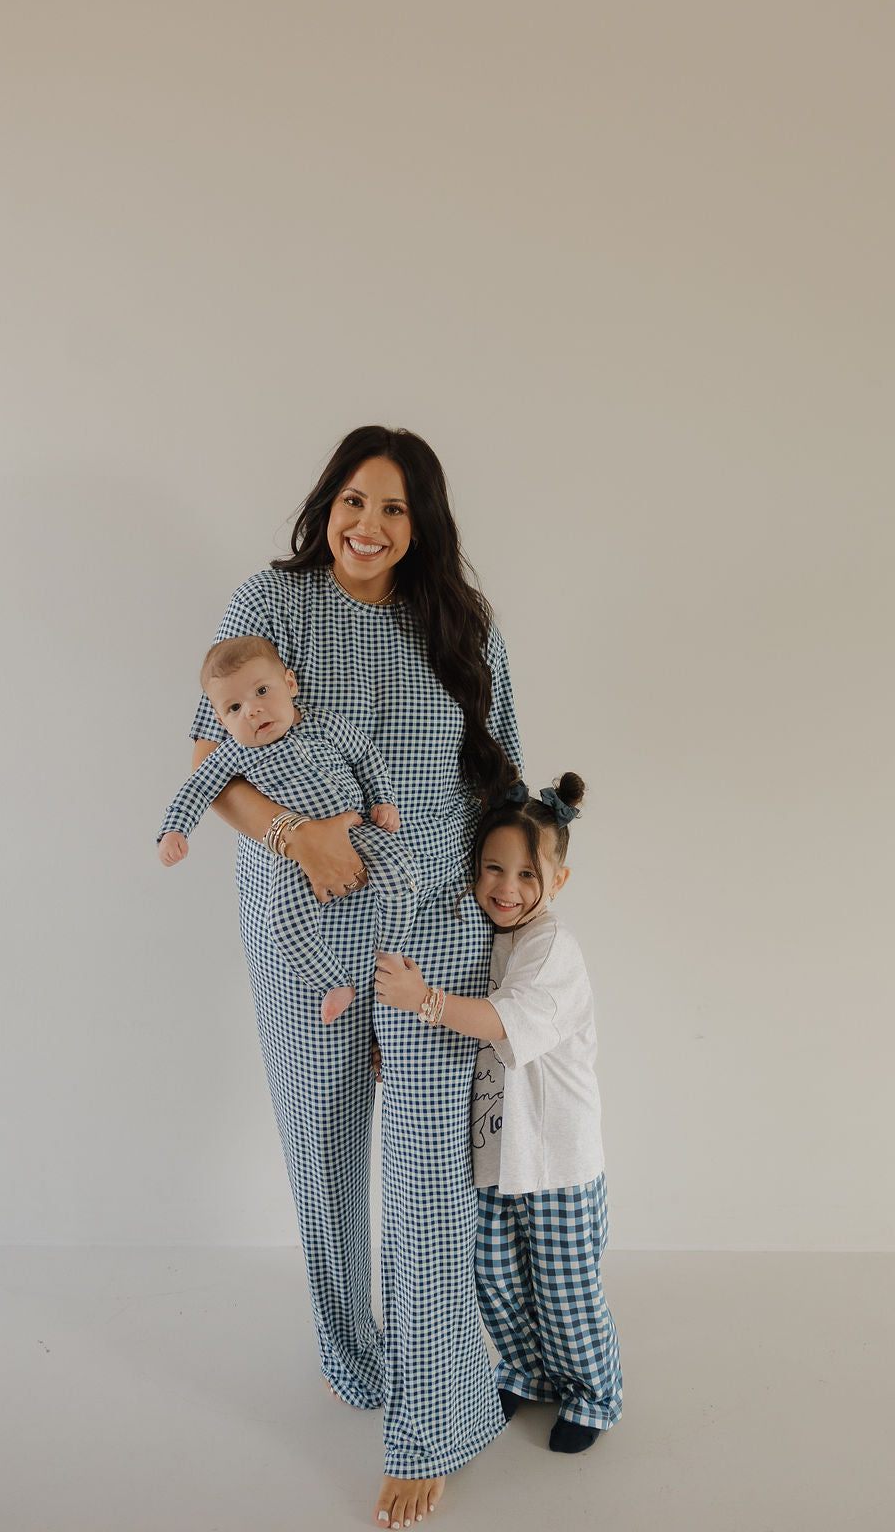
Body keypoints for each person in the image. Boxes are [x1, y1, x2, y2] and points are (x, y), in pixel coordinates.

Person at [176, 426, 521, 1528]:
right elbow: (208, 758)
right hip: (304, 921)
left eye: (396, 510)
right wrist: (300, 839)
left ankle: (435, 1417)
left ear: (424, 526)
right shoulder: (268, 602)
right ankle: (354, 1350)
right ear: (326, 501)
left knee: (426, 1181)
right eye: (354, 501)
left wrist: (522, 893)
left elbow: (501, 769)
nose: (369, 526)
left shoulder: (460, 626)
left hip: (436, 922)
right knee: (323, 1143)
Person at [373, 773, 623, 1456]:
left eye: (525, 873)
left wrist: (422, 1000)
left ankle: (593, 1394)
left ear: (558, 880)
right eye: (491, 867)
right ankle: (526, 1372)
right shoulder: (486, 936)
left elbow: (499, 1022)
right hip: (496, 1155)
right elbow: (461, 1031)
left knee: (566, 1293)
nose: (504, 886)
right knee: (497, 1279)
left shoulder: (551, 948)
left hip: (557, 1163)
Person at [157, 634, 418, 1024]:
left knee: (402, 875)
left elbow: (366, 755)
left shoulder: (324, 724)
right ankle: (333, 982)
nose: (252, 711)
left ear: (289, 684)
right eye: (234, 707)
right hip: (292, 854)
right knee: (282, 920)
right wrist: (174, 831)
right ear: (221, 720)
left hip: (355, 826)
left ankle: (390, 953)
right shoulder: (234, 752)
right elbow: (197, 787)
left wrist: (383, 799)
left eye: (262, 691)